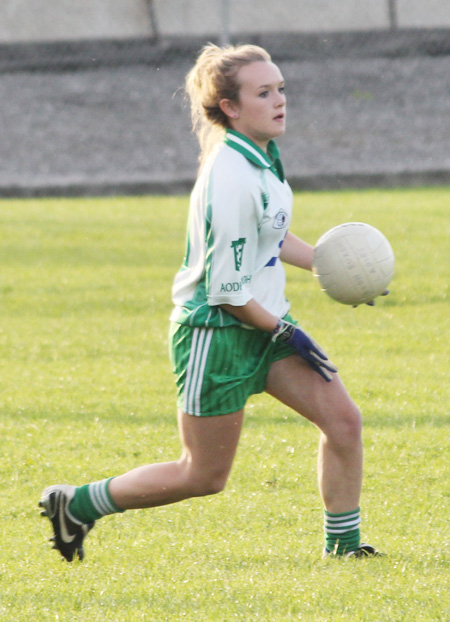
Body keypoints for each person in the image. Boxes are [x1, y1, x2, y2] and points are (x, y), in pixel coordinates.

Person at [39, 43, 382, 561]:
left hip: (264, 325)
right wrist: (286, 331)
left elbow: (273, 235)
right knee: (202, 475)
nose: (280, 100)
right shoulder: (230, 178)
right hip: (215, 333)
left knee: (343, 422)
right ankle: (78, 503)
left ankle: (345, 547)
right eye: (263, 92)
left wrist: (337, 267)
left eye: (281, 88)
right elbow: (226, 292)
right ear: (230, 107)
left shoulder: (262, 156)